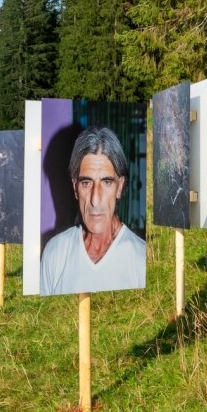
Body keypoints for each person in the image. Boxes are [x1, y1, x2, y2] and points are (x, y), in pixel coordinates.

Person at [40, 125, 145, 295]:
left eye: (107, 182)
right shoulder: (54, 252)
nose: (95, 199)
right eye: (86, 183)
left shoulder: (140, 258)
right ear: (75, 188)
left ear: (120, 187)